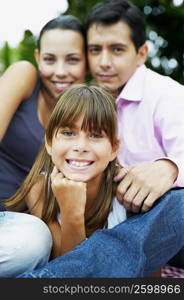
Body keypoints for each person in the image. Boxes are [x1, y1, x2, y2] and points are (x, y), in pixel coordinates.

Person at [85, 0, 184, 267]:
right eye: (95, 50)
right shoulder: (86, 103)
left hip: (165, 225)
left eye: (117, 50)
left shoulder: (168, 95)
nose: (104, 62)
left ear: (141, 53)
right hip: (108, 223)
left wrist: (169, 168)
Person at [3, 83, 125, 276]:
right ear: (50, 143)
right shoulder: (39, 188)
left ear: (114, 149)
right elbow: (68, 272)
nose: (81, 146)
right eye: (68, 133)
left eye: (95, 135)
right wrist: (71, 212)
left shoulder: (124, 190)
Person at [0, 15, 86, 210]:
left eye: (72, 60)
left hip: (38, 227)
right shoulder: (25, 75)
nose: (61, 71)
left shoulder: (92, 108)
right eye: (50, 59)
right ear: (38, 58)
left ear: (87, 61)